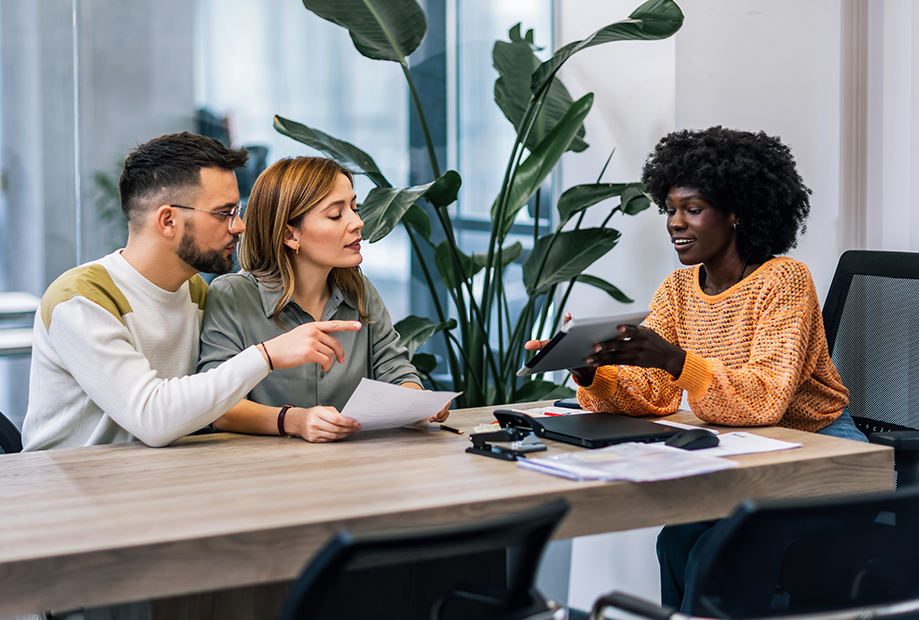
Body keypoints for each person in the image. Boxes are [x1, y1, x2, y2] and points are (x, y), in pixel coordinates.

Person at [526, 126, 863, 611]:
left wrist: (674, 359)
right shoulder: (678, 289)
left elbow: (765, 399)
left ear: (737, 214)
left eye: (693, 209)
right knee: (676, 540)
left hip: (823, 450)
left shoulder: (784, 280)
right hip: (750, 451)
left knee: (719, 549)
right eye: (670, 209)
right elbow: (654, 395)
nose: (675, 223)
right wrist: (592, 370)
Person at [22, 133, 361, 451]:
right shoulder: (82, 299)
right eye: (224, 213)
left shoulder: (195, 290)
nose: (239, 226)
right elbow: (151, 418)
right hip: (69, 491)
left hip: (160, 482)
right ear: (168, 221)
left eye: (237, 212)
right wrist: (267, 356)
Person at [197, 156, 449, 442]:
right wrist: (295, 421)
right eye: (336, 215)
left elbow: (395, 369)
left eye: (354, 208)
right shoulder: (232, 295)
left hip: (352, 464)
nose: (358, 222)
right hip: (263, 473)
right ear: (290, 234)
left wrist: (417, 403)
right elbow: (217, 406)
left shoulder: (360, 290)